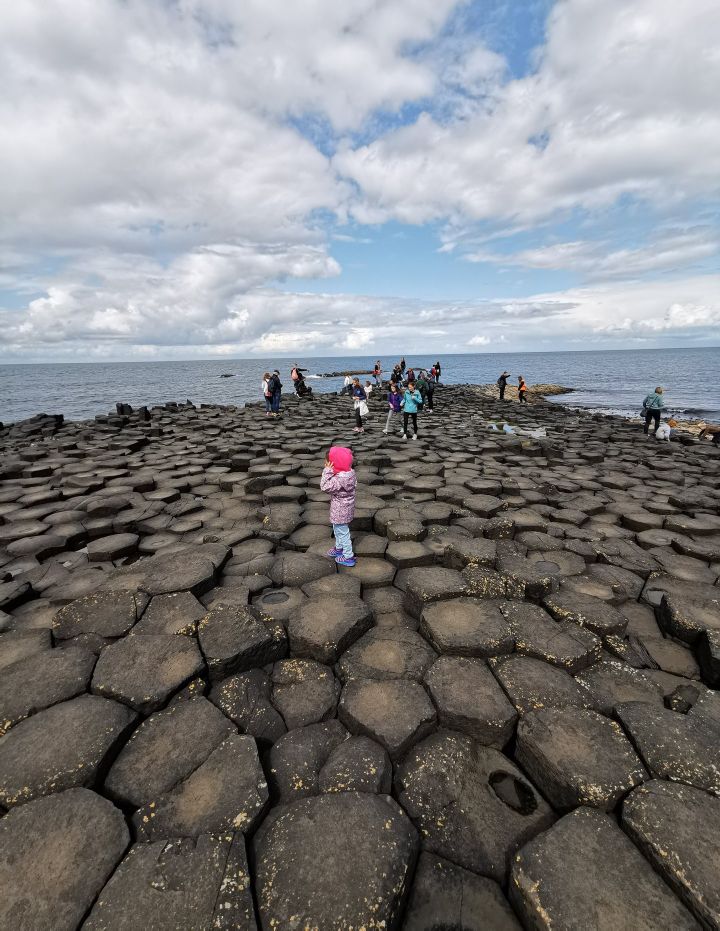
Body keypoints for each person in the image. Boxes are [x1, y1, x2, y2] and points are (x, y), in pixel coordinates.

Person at [320, 446, 357, 567]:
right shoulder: (349, 474)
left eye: (327, 463)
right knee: (337, 529)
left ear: (334, 464)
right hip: (344, 509)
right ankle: (339, 548)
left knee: (343, 532)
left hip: (340, 510)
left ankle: (348, 556)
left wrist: (327, 471)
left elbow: (324, 486)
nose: (325, 465)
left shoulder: (338, 480)